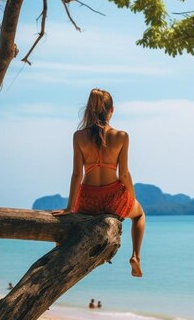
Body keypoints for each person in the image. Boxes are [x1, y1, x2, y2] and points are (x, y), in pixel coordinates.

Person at [52, 88, 146, 277]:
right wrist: (131, 197)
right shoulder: (121, 136)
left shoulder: (79, 136)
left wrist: (70, 207)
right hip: (113, 200)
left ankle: (58, 261)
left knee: (66, 228)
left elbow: (77, 174)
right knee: (139, 215)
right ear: (111, 110)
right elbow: (124, 174)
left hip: (88, 200)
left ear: (89, 110)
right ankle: (136, 256)